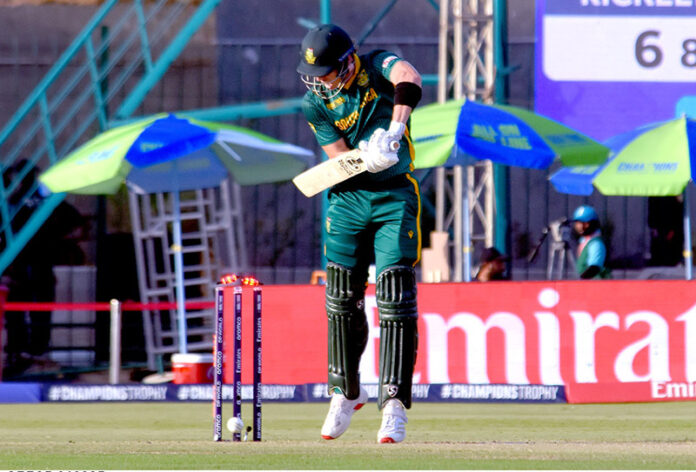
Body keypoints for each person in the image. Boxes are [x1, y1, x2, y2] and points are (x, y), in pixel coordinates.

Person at [296, 24, 422, 443]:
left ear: (350, 60)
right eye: (318, 72)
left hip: (393, 197)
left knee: (394, 296)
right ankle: (345, 392)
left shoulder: (376, 64)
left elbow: (409, 76)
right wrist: (364, 158)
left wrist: (395, 130)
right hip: (347, 201)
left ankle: (394, 405)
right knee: (340, 300)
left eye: (330, 70)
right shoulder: (315, 102)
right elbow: (338, 158)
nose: (323, 79)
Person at [571, 205, 610, 279]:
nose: (581, 227)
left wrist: (580, 281)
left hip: (596, 285)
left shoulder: (596, 243)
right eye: (578, 223)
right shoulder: (583, 241)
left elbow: (594, 268)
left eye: (586, 223)